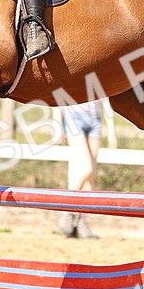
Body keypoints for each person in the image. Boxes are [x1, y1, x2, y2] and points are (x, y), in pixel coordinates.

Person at [58, 99, 104, 239]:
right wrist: (59, 127)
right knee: (86, 168)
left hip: (95, 119)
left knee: (90, 178)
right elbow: (57, 97)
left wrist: (112, 129)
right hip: (74, 118)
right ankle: (66, 210)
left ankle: (81, 222)